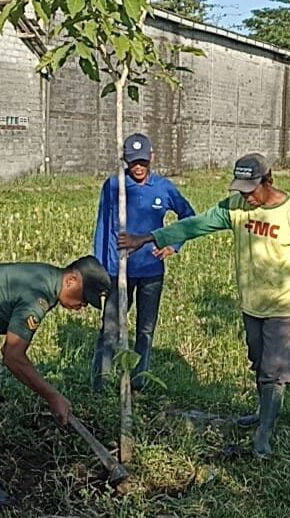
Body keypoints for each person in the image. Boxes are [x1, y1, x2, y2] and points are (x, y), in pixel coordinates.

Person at [118, 153, 290, 458]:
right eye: (241, 190)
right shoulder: (236, 208)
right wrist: (148, 238)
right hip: (252, 303)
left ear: (269, 181)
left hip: (283, 304)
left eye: (251, 190)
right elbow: (197, 225)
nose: (246, 197)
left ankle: (263, 436)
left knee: (274, 371)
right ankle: (262, 411)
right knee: (258, 360)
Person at [0, 256, 112, 507]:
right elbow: (13, 356)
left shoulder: (46, 277)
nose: (82, 306)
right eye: (83, 297)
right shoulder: (39, 294)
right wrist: (52, 396)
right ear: (71, 279)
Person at [92, 133, 196, 392]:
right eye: (132, 162)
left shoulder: (164, 188)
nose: (138, 167)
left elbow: (188, 216)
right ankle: (100, 384)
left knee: (145, 331)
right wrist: (100, 271)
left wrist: (174, 245)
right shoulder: (114, 186)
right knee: (110, 329)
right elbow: (103, 227)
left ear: (151, 158)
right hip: (119, 270)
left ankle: (139, 382)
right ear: (125, 161)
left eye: (142, 162)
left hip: (151, 270)